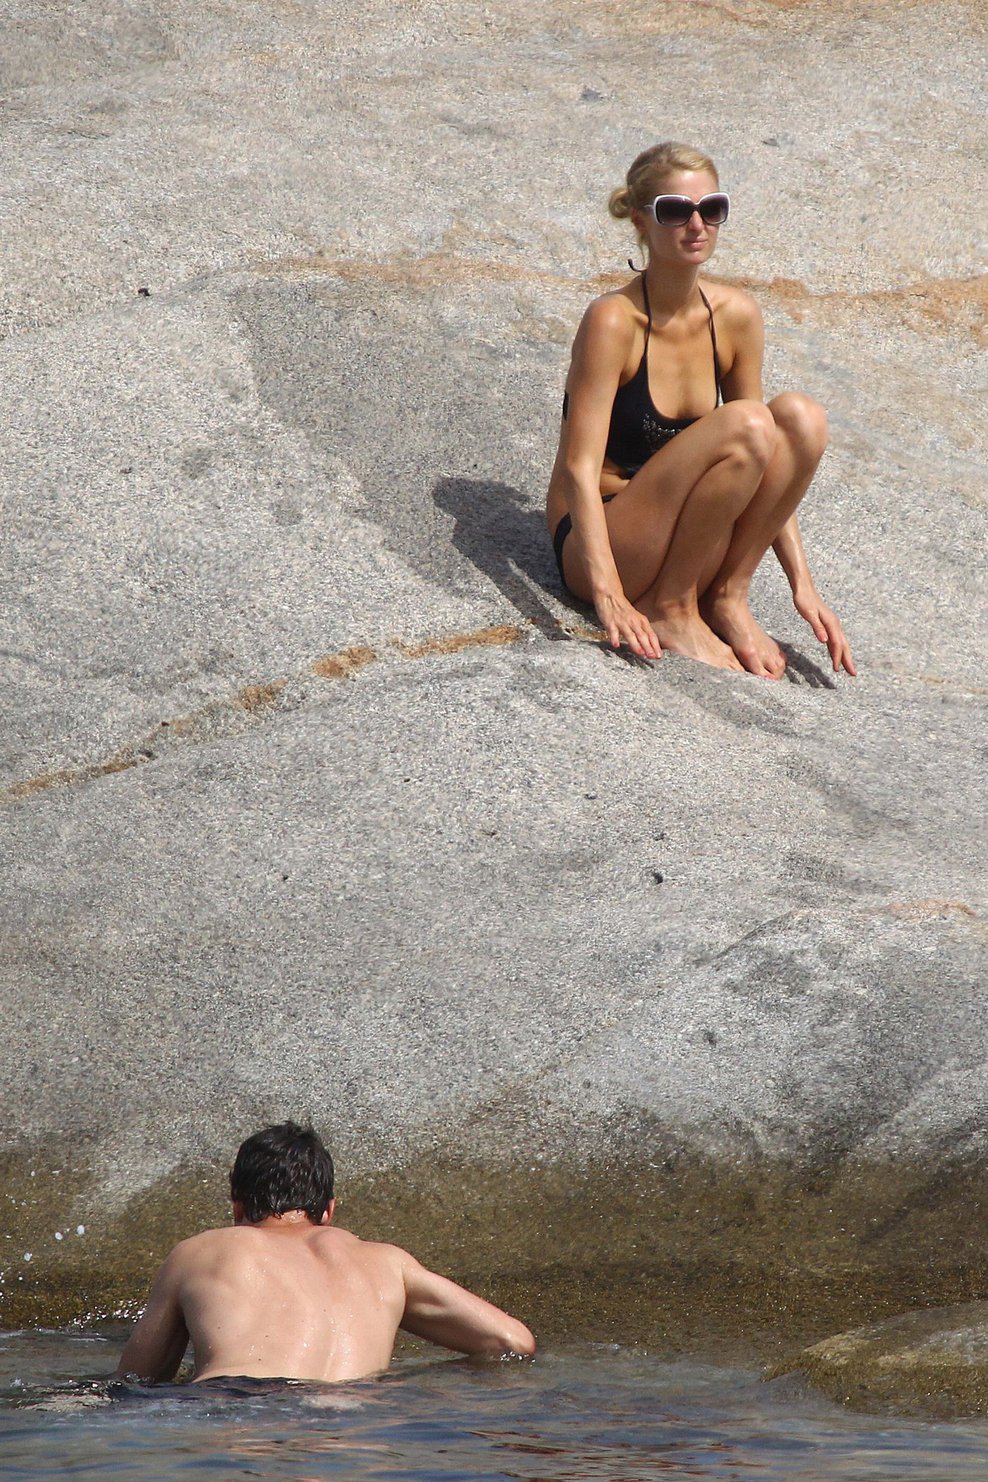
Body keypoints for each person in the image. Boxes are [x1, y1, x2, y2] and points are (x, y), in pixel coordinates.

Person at [546, 141, 856, 678]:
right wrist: (609, 595)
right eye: (676, 211)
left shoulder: (736, 315)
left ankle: (727, 597)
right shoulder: (612, 321)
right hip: (610, 541)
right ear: (642, 222)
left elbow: (768, 460)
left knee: (801, 418)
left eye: (711, 209)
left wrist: (802, 586)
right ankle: (671, 607)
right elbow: (578, 467)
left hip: (688, 536)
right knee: (749, 422)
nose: (697, 225)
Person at [114, 1122, 536, 1384]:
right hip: (352, 1422)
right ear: (329, 1210)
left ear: (237, 1206)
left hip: (239, 1408)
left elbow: (136, 1379)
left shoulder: (201, 1252)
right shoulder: (388, 1263)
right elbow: (512, 1340)